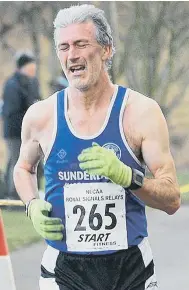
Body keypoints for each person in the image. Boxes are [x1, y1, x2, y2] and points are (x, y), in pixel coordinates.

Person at [13, 4, 180, 290]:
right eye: (64, 47)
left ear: (106, 50)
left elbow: (172, 199)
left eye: (81, 44)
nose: (72, 55)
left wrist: (128, 176)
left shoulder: (140, 112)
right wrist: (32, 204)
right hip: (64, 267)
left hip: (130, 267)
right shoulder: (41, 116)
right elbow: (23, 167)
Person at [2, 51, 40, 199]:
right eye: (30, 66)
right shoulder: (12, 84)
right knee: (16, 161)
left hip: (29, 131)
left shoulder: (32, 82)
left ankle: (13, 193)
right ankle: (14, 195)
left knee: (17, 160)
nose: (33, 69)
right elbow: (12, 111)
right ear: (22, 67)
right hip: (14, 131)